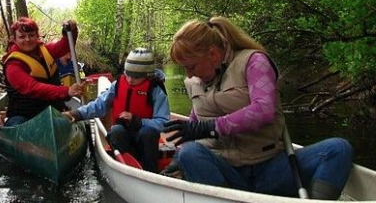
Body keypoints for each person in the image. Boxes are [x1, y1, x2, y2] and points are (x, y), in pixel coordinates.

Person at [163, 17, 353, 199]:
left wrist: (212, 127)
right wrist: (178, 156)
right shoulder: (195, 82)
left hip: (269, 168)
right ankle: (225, 198)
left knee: (339, 149)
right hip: (226, 170)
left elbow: (264, 110)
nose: (188, 74)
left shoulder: (254, 62)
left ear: (212, 54)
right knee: (189, 153)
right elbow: (195, 123)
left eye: (191, 66)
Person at [63, 48, 170, 173]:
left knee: (149, 133)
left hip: (144, 137)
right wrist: (76, 114)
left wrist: (139, 122)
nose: (130, 80)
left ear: (147, 76)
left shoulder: (156, 90)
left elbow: (163, 122)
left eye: (136, 77)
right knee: (116, 131)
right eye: (128, 74)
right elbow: (99, 105)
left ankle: (150, 171)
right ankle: (125, 166)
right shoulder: (118, 85)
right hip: (123, 137)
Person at [0, 17, 84, 127]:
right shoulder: (13, 65)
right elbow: (33, 88)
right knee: (18, 126)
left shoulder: (45, 50)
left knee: (63, 123)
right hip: (24, 115)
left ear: (37, 36)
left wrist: (70, 31)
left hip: (53, 110)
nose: (27, 40)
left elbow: (65, 46)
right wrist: (66, 91)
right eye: (22, 37)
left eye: (31, 35)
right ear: (14, 39)